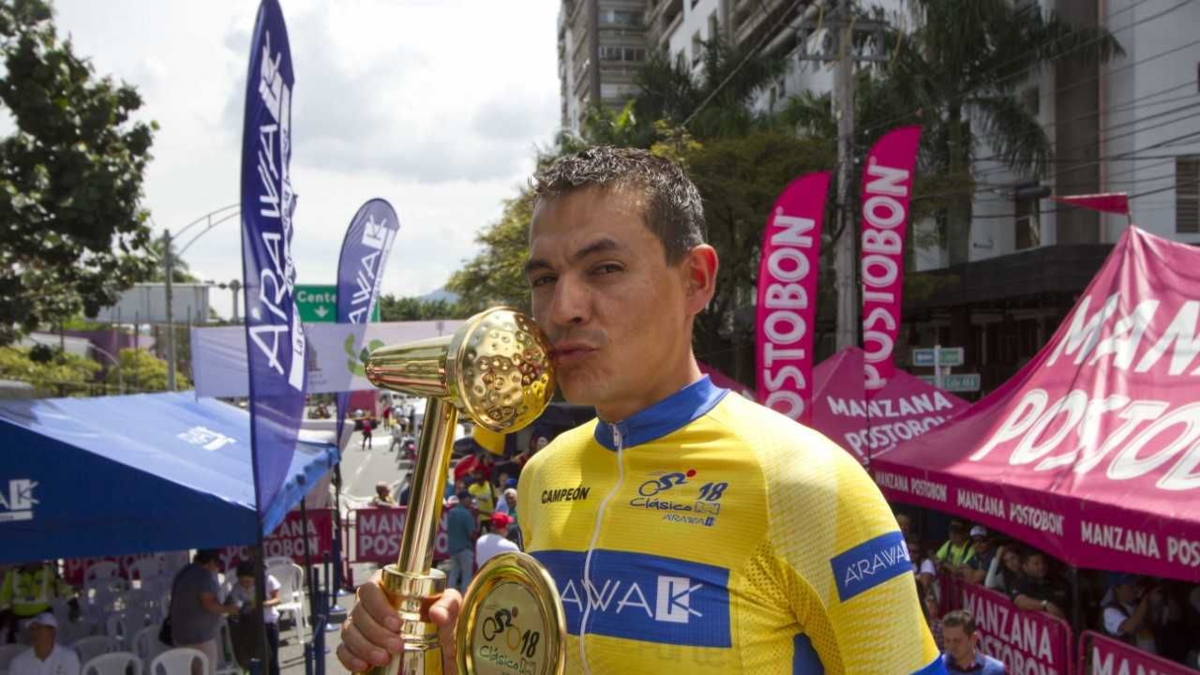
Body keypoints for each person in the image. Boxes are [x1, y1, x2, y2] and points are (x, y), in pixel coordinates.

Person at [339, 146, 942, 674]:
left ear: (696, 279)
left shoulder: (810, 482)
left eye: (605, 269)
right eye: (545, 278)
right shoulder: (543, 475)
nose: (563, 308)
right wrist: (446, 653)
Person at [168, 549, 238, 675]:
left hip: (181, 635)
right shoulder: (203, 575)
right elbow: (209, 605)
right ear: (211, 561)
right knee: (205, 672)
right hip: (199, 638)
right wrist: (229, 609)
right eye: (217, 564)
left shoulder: (184, 571)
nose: (216, 568)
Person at [227, 562, 283, 675]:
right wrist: (236, 608)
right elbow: (234, 603)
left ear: (255, 577)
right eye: (242, 581)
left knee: (272, 659)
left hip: (269, 622)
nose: (245, 584)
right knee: (256, 657)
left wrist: (261, 604)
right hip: (251, 625)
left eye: (248, 581)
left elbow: (278, 600)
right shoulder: (237, 587)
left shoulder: (268, 581)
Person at [0, 562, 77, 642]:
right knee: (21, 645)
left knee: (45, 640)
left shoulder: (49, 570)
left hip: (42, 615)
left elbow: (63, 586)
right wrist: (6, 613)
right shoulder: (13, 573)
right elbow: (4, 595)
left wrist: (73, 603)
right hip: (20, 618)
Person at [1102, 574, 1161, 654]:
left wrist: (1154, 604)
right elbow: (1130, 627)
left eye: (1135, 584)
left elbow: (1154, 621)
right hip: (1130, 660)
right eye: (1129, 584)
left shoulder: (1138, 605)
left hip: (1151, 658)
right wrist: (1146, 598)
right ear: (1117, 588)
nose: (1135, 588)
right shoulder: (1110, 611)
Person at [8, 612, 79, 675]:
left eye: (38, 628)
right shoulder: (18, 663)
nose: (34, 633)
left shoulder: (68, 657)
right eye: (32, 629)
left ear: (52, 632)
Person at [940, 610, 1006, 674]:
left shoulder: (996, 670)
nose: (951, 646)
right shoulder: (937, 667)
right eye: (947, 640)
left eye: (957, 641)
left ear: (973, 639)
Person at [1011, 550, 1068, 620]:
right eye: (1036, 564)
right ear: (1025, 567)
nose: (1042, 566)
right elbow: (1019, 601)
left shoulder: (1061, 582)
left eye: (1044, 562)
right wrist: (1045, 604)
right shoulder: (1020, 583)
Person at [444, 493, 476, 595]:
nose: (470, 502)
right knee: (466, 576)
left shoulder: (451, 512)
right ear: (463, 499)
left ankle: (449, 596)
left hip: (453, 549)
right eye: (469, 499)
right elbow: (471, 534)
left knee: (453, 574)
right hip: (465, 549)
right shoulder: (466, 514)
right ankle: (464, 599)